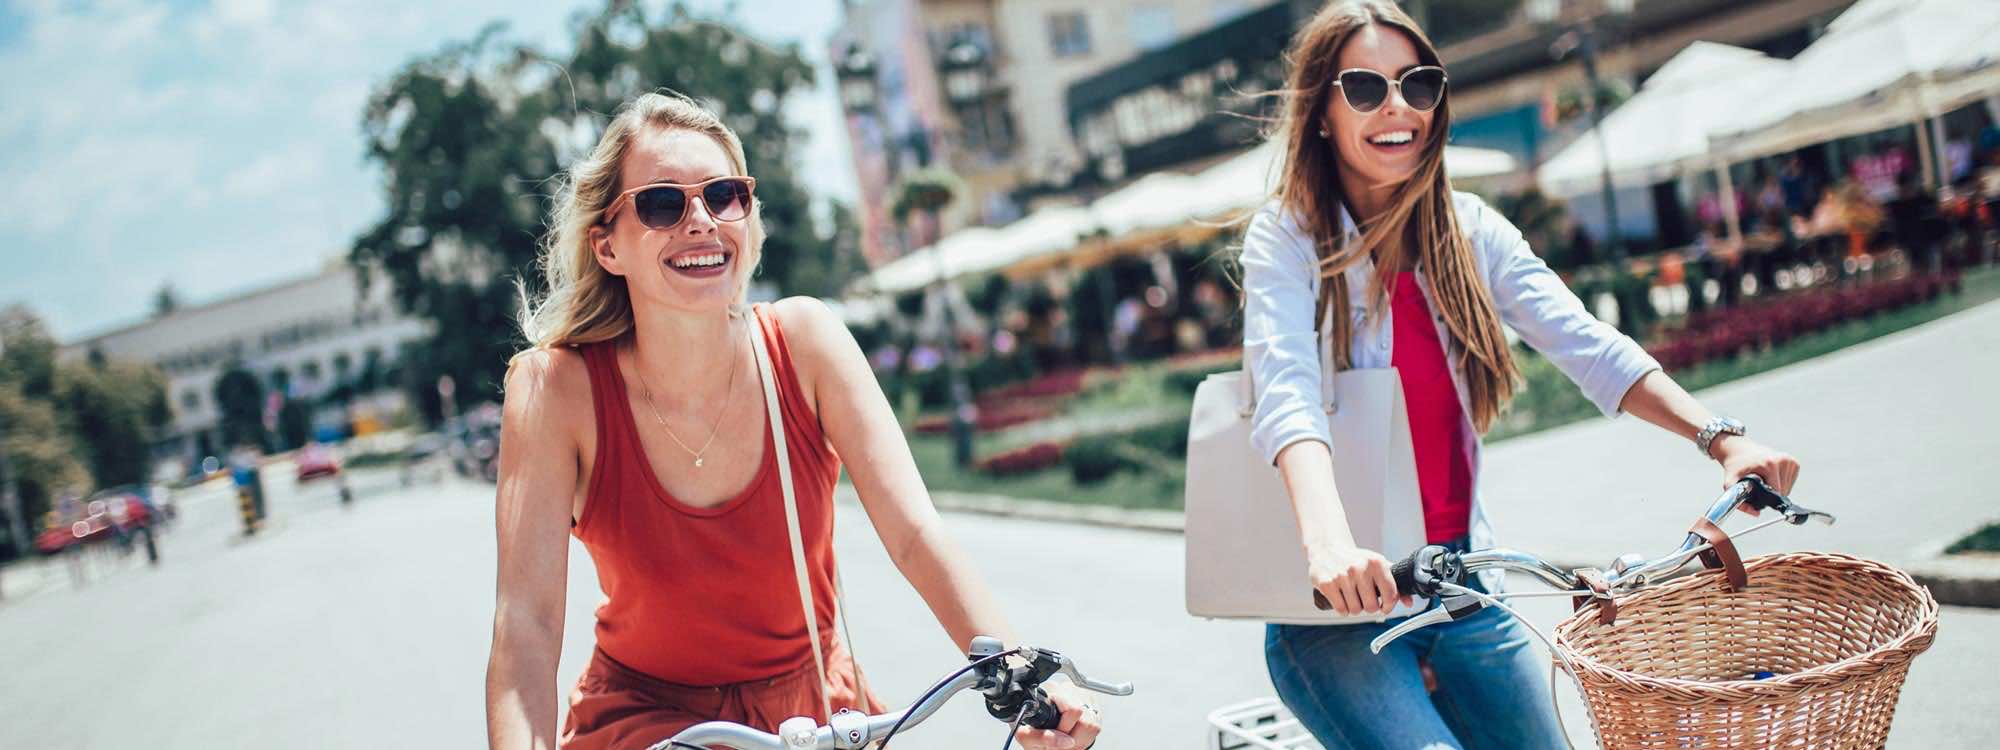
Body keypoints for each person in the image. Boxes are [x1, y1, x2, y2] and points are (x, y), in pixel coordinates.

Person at [1236, 3, 1802, 748]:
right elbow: (1286, 395)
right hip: (1339, 611)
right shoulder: (1287, 238)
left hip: (1461, 584)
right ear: (1321, 113)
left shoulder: (1469, 229)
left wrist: (1721, 438)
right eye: (1366, 88)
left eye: (1417, 83)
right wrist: (1330, 547)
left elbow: (1587, 343)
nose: (1398, 105)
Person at [485, 92, 1104, 750]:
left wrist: (1017, 676)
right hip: (647, 721)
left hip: (812, 718)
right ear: (607, 246)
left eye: (724, 195)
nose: (701, 221)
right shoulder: (553, 390)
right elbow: (527, 625)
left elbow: (914, 533)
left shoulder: (804, 342)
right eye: (663, 204)